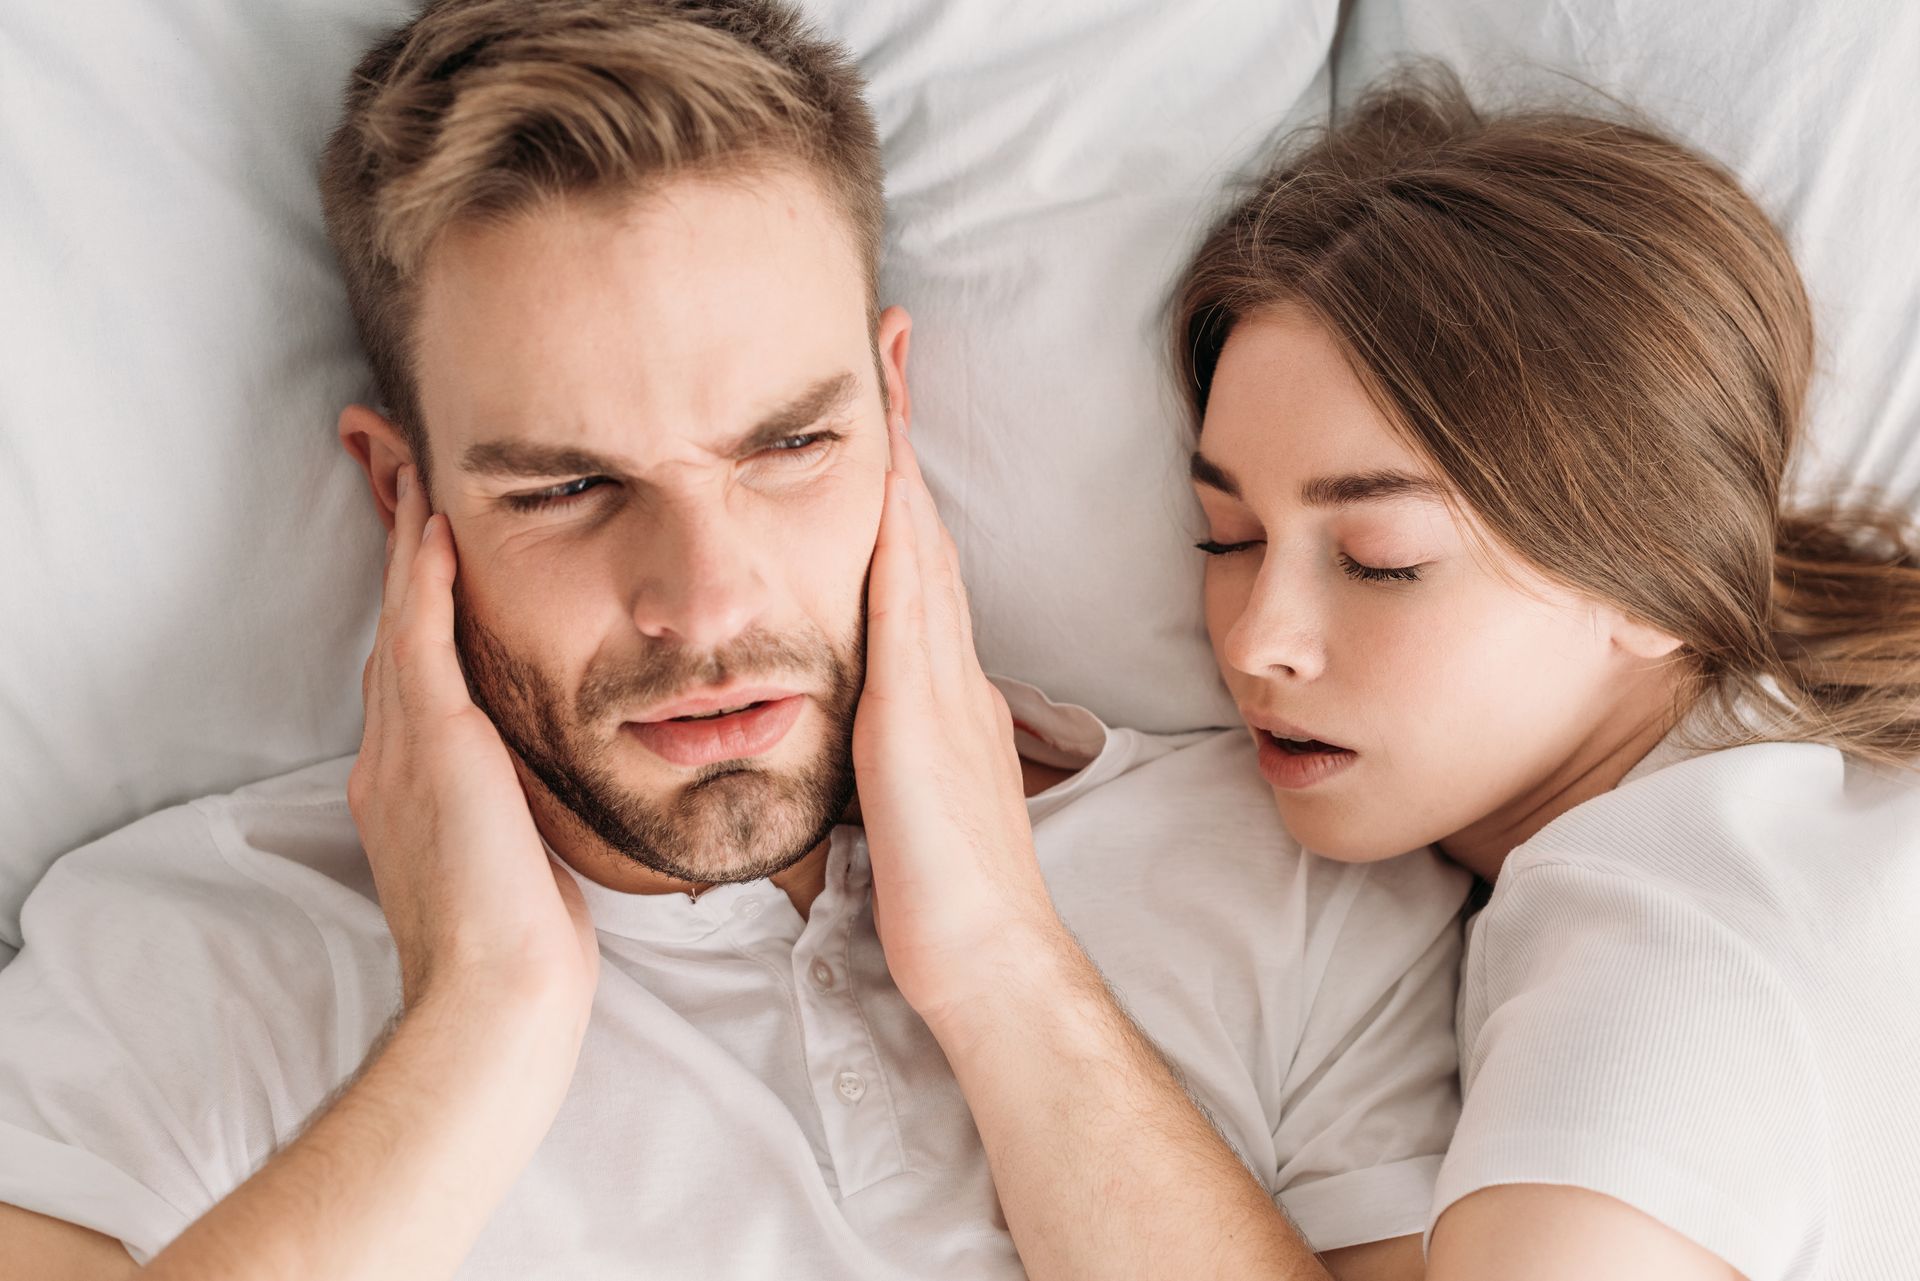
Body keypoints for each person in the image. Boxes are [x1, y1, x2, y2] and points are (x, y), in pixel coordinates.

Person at [0, 5, 1469, 1278]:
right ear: (404, 495)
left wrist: (1004, 965)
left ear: (894, 409)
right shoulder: (167, 964)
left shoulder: (1301, 889)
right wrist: (482, 1023)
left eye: (786, 445)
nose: (705, 606)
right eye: (568, 488)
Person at [1170, 69, 1920, 1279]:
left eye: (1380, 560)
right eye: (1228, 539)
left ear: (1645, 575)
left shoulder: (1665, 963)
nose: (1259, 640)